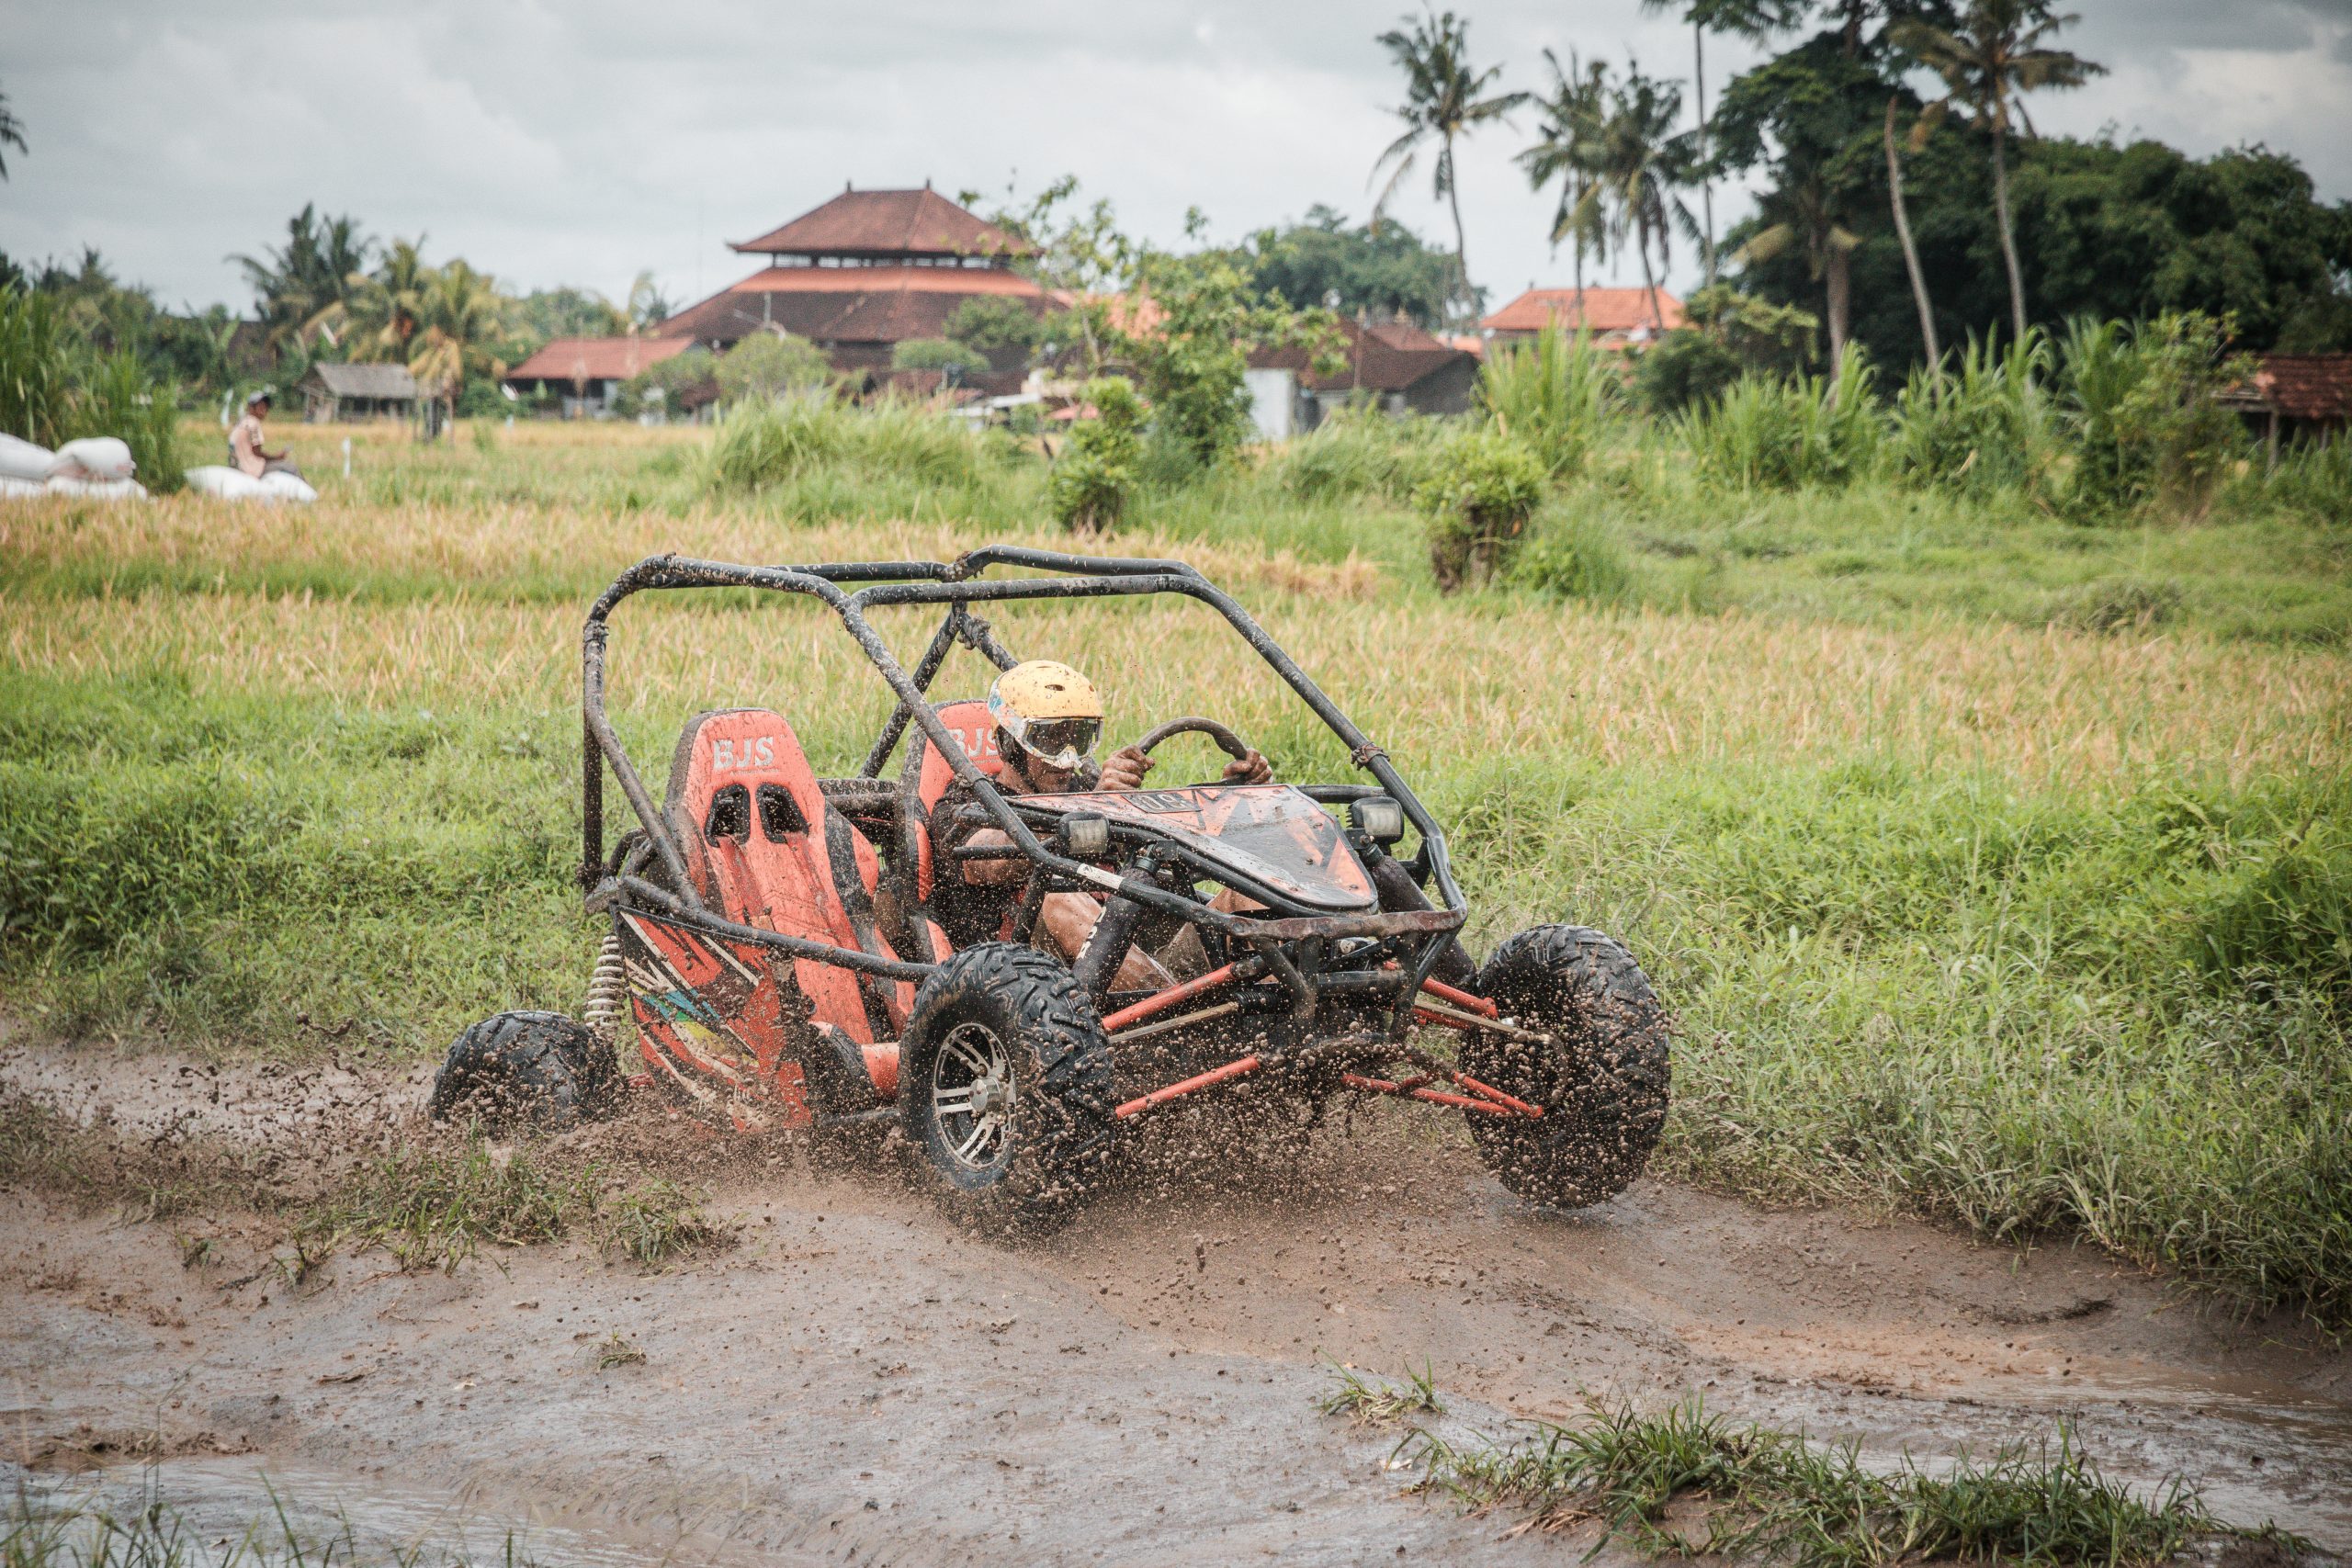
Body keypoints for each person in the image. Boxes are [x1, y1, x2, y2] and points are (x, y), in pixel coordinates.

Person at [927, 660, 1269, 987]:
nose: (1067, 758)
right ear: (1008, 743)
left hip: (1136, 964)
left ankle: (1291, 1018)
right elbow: (982, 861)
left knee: (1249, 889)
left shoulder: (1084, 787)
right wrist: (1092, 805)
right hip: (1034, 983)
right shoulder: (967, 800)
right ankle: (1178, 1018)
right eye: (1050, 741)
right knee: (1060, 895)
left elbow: (1164, 853)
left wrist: (1232, 801)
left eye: (1078, 737)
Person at [229, 390, 303, 480]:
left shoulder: (241, 423)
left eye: (266, 407)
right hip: (253, 469)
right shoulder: (254, 423)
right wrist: (277, 458)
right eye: (261, 407)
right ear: (251, 408)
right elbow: (256, 452)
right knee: (291, 468)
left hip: (239, 467)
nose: (264, 411)